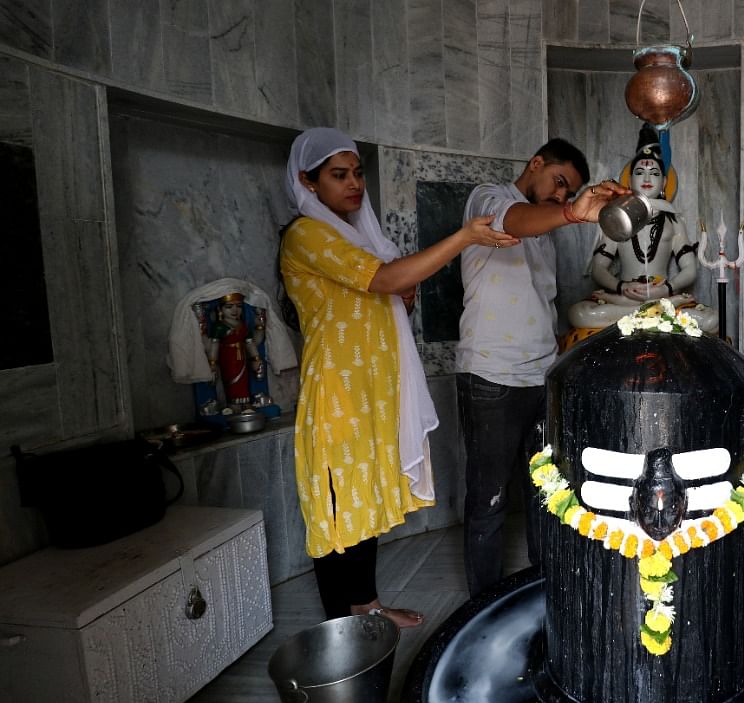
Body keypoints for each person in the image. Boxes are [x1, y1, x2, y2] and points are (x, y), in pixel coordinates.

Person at [279, 127, 517, 627]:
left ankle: (368, 607)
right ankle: (341, 632)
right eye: (338, 175)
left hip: (374, 393)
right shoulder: (306, 233)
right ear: (308, 181)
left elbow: (384, 296)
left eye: (358, 173)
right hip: (338, 395)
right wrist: (464, 236)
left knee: (361, 506)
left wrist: (398, 302)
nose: (354, 184)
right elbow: (385, 279)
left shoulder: (359, 237)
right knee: (339, 512)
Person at [458, 139, 628, 596]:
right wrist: (574, 211)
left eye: (568, 190)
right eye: (558, 182)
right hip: (491, 375)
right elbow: (513, 222)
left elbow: (541, 298)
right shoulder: (489, 198)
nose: (560, 195)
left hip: (539, 375)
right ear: (535, 163)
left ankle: (544, 587)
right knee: (489, 499)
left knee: (544, 490)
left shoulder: (546, 228)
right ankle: (484, 606)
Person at [566, 127, 716, 334]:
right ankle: (652, 313)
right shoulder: (618, 217)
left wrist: (667, 289)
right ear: (629, 180)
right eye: (640, 172)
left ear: (664, 182)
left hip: (660, 294)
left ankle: (647, 311)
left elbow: (690, 269)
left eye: (654, 173)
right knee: (580, 313)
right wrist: (621, 288)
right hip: (626, 295)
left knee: (711, 319)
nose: (647, 178)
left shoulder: (672, 220)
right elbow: (599, 268)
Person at [205, 293, 263, 407]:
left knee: (243, 380)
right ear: (220, 309)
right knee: (231, 380)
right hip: (227, 358)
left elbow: (250, 343)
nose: (235, 310)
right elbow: (214, 345)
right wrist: (212, 363)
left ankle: (245, 402)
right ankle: (233, 403)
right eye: (229, 307)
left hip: (242, 357)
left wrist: (256, 358)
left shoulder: (243, 325)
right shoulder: (219, 326)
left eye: (238, 306)